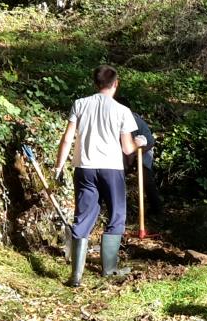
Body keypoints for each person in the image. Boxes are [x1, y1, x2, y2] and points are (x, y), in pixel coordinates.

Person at [52, 65, 145, 287]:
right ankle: (109, 269)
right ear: (116, 83)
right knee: (116, 215)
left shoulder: (80, 104)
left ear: (95, 84)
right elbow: (127, 148)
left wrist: (58, 166)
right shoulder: (122, 111)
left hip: (84, 167)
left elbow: (67, 138)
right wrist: (139, 142)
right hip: (111, 168)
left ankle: (76, 275)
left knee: (83, 217)